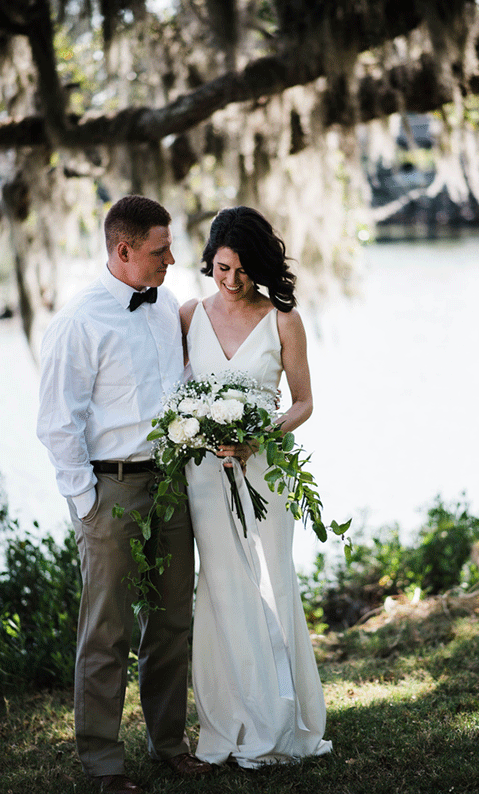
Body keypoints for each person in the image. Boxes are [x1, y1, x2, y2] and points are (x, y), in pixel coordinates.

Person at [37, 195, 212, 794]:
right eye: (161, 251)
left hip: (171, 486)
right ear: (124, 251)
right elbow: (58, 422)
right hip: (109, 490)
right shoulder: (79, 320)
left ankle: (170, 744)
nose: (173, 260)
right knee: (106, 629)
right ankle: (104, 763)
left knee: (170, 621)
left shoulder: (167, 306)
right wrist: (87, 502)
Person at [179, 205, 332, 768]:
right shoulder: (188, 315)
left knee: (273, 583)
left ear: (259, 265)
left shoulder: (282, 319)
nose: (231, 280)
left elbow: (304, 402)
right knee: (219, 589)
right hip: (203, 478)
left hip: (263, 473)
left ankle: (284, 718)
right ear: (210, 263)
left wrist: (257, 435)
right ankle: (230, 722)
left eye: (242, 269)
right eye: (222, 268)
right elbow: (173, 393)